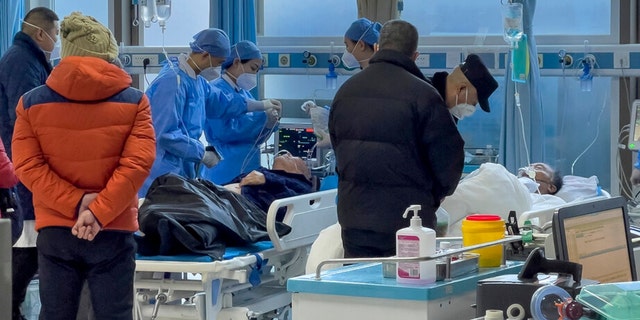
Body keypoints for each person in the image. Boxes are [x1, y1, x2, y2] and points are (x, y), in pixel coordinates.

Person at [11, 11, 156, 319]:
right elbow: (137, 164)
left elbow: (27, 166)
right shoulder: (136, 102)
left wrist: (77, 203)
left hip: (57, 228)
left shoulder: (30, 104)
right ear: (108, 56)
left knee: (56, 313)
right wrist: (98, 210)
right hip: (113, 228)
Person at [329, 20, 465, 258]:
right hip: (408, 222)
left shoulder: (346, 92)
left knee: (356, 291)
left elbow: (338, 148)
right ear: (415, 55)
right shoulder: (424, 95)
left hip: (354, 219)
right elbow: (449, 160)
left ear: (378, 47)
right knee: (405, 292)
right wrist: (433, 198)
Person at [140, 31, 279, 197]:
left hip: (180, 170)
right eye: (219, 63)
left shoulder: (197, 81)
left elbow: (223, 102)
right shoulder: (172, 81)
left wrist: (259, 105)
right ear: (205, 54)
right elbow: (165, 135)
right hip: (160, 171)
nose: (219, 69)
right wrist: (202, 153)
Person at [0, 7, 59, 320]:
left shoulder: (29, 59)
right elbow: (25, 116)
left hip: (24, 161)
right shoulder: (21, 61)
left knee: (30, 244)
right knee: (27, 245)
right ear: (41, 33)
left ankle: (12, 308)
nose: (57, 40)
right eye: (56, 33)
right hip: (22, 164)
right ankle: (9, 309)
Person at [202, 40, 282, 185]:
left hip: (247, 168)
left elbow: (254, 136)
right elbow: (224, 131)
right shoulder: (216, 91)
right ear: (237, 62)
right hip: (225, 167)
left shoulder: (244, 93)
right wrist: (263, 118)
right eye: (253, 68)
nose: (254, 74)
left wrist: (270, 124)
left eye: (258, 70)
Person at [428, 54, 499, 121]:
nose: (472, 109)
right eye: (473, 103)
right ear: (461, 88)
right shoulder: (423, 100)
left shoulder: (444, 116)